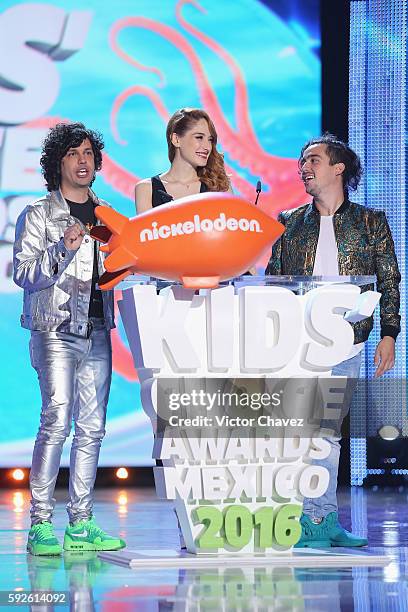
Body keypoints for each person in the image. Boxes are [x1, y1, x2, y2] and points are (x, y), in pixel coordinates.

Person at [266, 133, 401, 547]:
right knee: (303, 429)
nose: (303, 168)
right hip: (298, 340)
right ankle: (304, 518)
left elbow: (389, 281)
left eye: (313, 161)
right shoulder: (289, 222)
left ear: (339, 168)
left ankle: (322, 520)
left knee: (326, 430)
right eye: (302, 162)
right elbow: (274, 280)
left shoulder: (370, 222)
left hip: (347, 341)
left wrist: (389, 334)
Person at [13, 122, 126, 556]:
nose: (83, 161)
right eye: (73, 153)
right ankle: (40, 523)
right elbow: (24, 273)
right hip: (55, 329)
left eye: (88, 154)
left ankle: (80, 524)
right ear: (56, 163)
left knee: (93, 427)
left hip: (98, 329)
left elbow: (120, 269)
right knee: (57, 420)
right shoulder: (39, 213)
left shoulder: (108, 215)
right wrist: (63, 247)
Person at [135, 107, 232, 213]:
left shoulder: (219, 186)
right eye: (199, 137)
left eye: (210, 140)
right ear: (176, 140)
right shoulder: (146, 189)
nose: (207, 147)